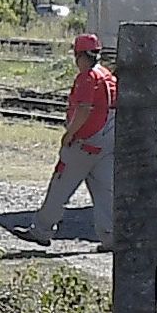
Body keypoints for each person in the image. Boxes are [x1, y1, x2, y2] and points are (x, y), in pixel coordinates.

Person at [35, 32, 116, 243]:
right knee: (105, 192)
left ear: (80, 55)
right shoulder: (107, 75)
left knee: (60, 186)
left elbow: (83, 109)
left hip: (84, 143)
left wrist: (69, 133)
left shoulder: (87, 77)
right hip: (106, 144)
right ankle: (109, 237)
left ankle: (42, 230)